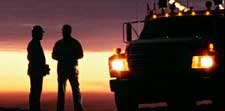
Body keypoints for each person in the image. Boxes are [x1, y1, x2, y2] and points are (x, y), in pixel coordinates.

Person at [52, 24, 84, 111]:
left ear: (69, 31)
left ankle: (78, 108)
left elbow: (81, 55)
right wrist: (64, 57)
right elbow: (54, 55)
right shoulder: (59, 43)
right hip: (64, 69)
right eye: (64, 31)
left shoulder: (74, 43)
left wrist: (68, 56)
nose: (64, 32)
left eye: (66, 31)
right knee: (63, 91)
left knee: (75, 90)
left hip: (71, 69)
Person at [27, 25, 50, 111]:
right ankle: (34, 108)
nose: (42, 35)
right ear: (37, 34)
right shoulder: (34, 44)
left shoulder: (34, 43)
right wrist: (41, 67)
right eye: (40, 33)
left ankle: (35, 108)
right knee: (35, 91)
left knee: (35, 91)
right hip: (36, 72)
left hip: (36, 71)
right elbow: (32, 58)